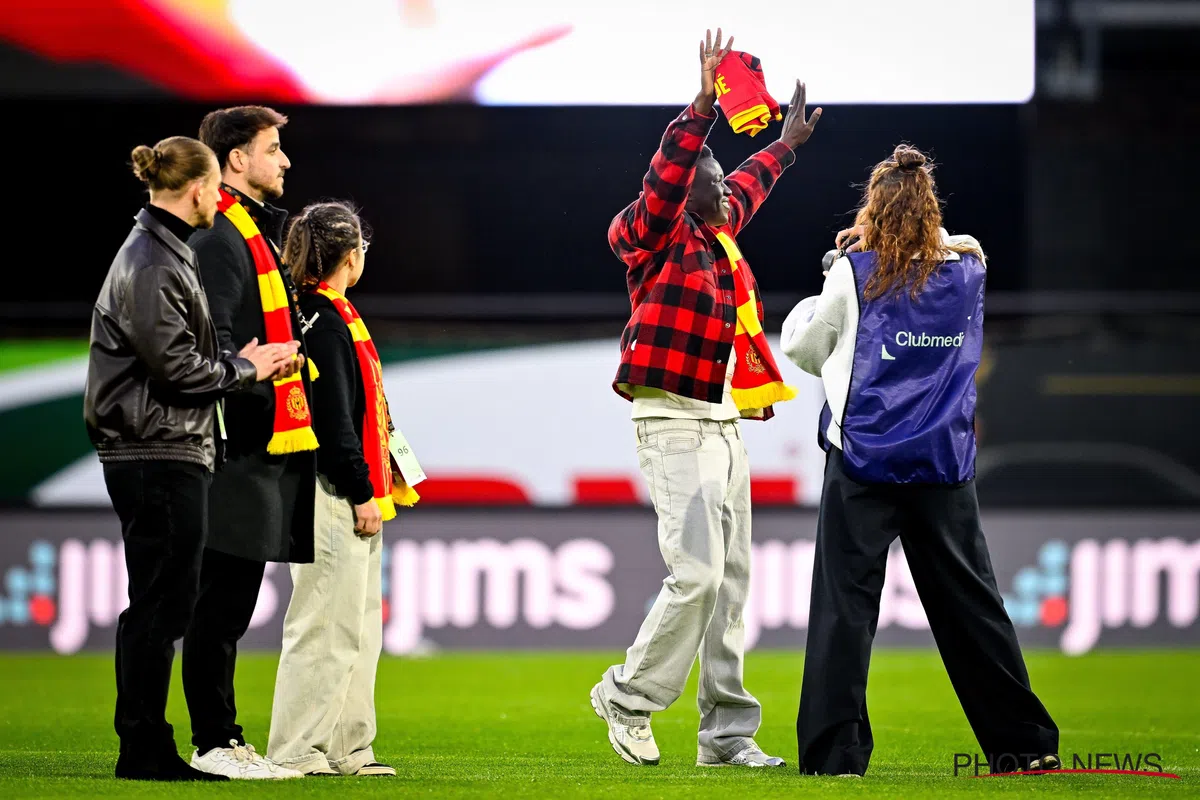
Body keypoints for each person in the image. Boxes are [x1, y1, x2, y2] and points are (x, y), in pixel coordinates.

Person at [780, 145, 1060, 776]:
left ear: (872, 208)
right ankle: (1024, 746)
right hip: (943, 464)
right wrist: (937, 240)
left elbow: (803, 345)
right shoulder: (969, 270)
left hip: (862, 461)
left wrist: (832, 271)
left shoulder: (853, 272)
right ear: (932, 208)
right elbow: (963, 244)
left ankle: (835, 756)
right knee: (973, 608)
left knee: (843, 611)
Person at [589, 28, 822, 768]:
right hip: (672, 421)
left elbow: (749, 182)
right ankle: (627, 695)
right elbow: (668, 177)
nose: (727, 191)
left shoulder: (718, 237)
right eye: (712, 182)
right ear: (686, 187)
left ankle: (725, 734)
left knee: (732, 586)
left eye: (725, 185)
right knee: (697, 574)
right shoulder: (650, 235)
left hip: (723, 424)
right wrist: (700, 107)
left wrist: (783, 146)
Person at [85, 136, 300, 781]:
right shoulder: (152, 262)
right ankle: (143, 746)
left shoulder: (160, 251)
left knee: (165, 602)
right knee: (161, 604)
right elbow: (176, 368)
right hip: (156, 448)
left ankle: (148, 742)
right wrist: (246, 367)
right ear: (201, 188)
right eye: (213, 191)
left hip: (167, 444)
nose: (219, 202)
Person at [183, 105, 317, 780]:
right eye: (273, 148)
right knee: (222, 599)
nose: (284, 160)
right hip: (231, 442)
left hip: (251, 441)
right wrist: (256, 364)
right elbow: (209, 342)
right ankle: (214, 741)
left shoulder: (249, 234)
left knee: (229, 598)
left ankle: (221, 737)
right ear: (237, 160)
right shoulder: (221, 240)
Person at [267, 202, 416, 777]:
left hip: (345, 490)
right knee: (325, 626)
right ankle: (298, 749)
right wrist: (360, 491)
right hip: (331, 492)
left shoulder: (322, 314)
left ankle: (349, 748)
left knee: (355, 628)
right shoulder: (326, 322)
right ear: (350, 256)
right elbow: (333, 423)